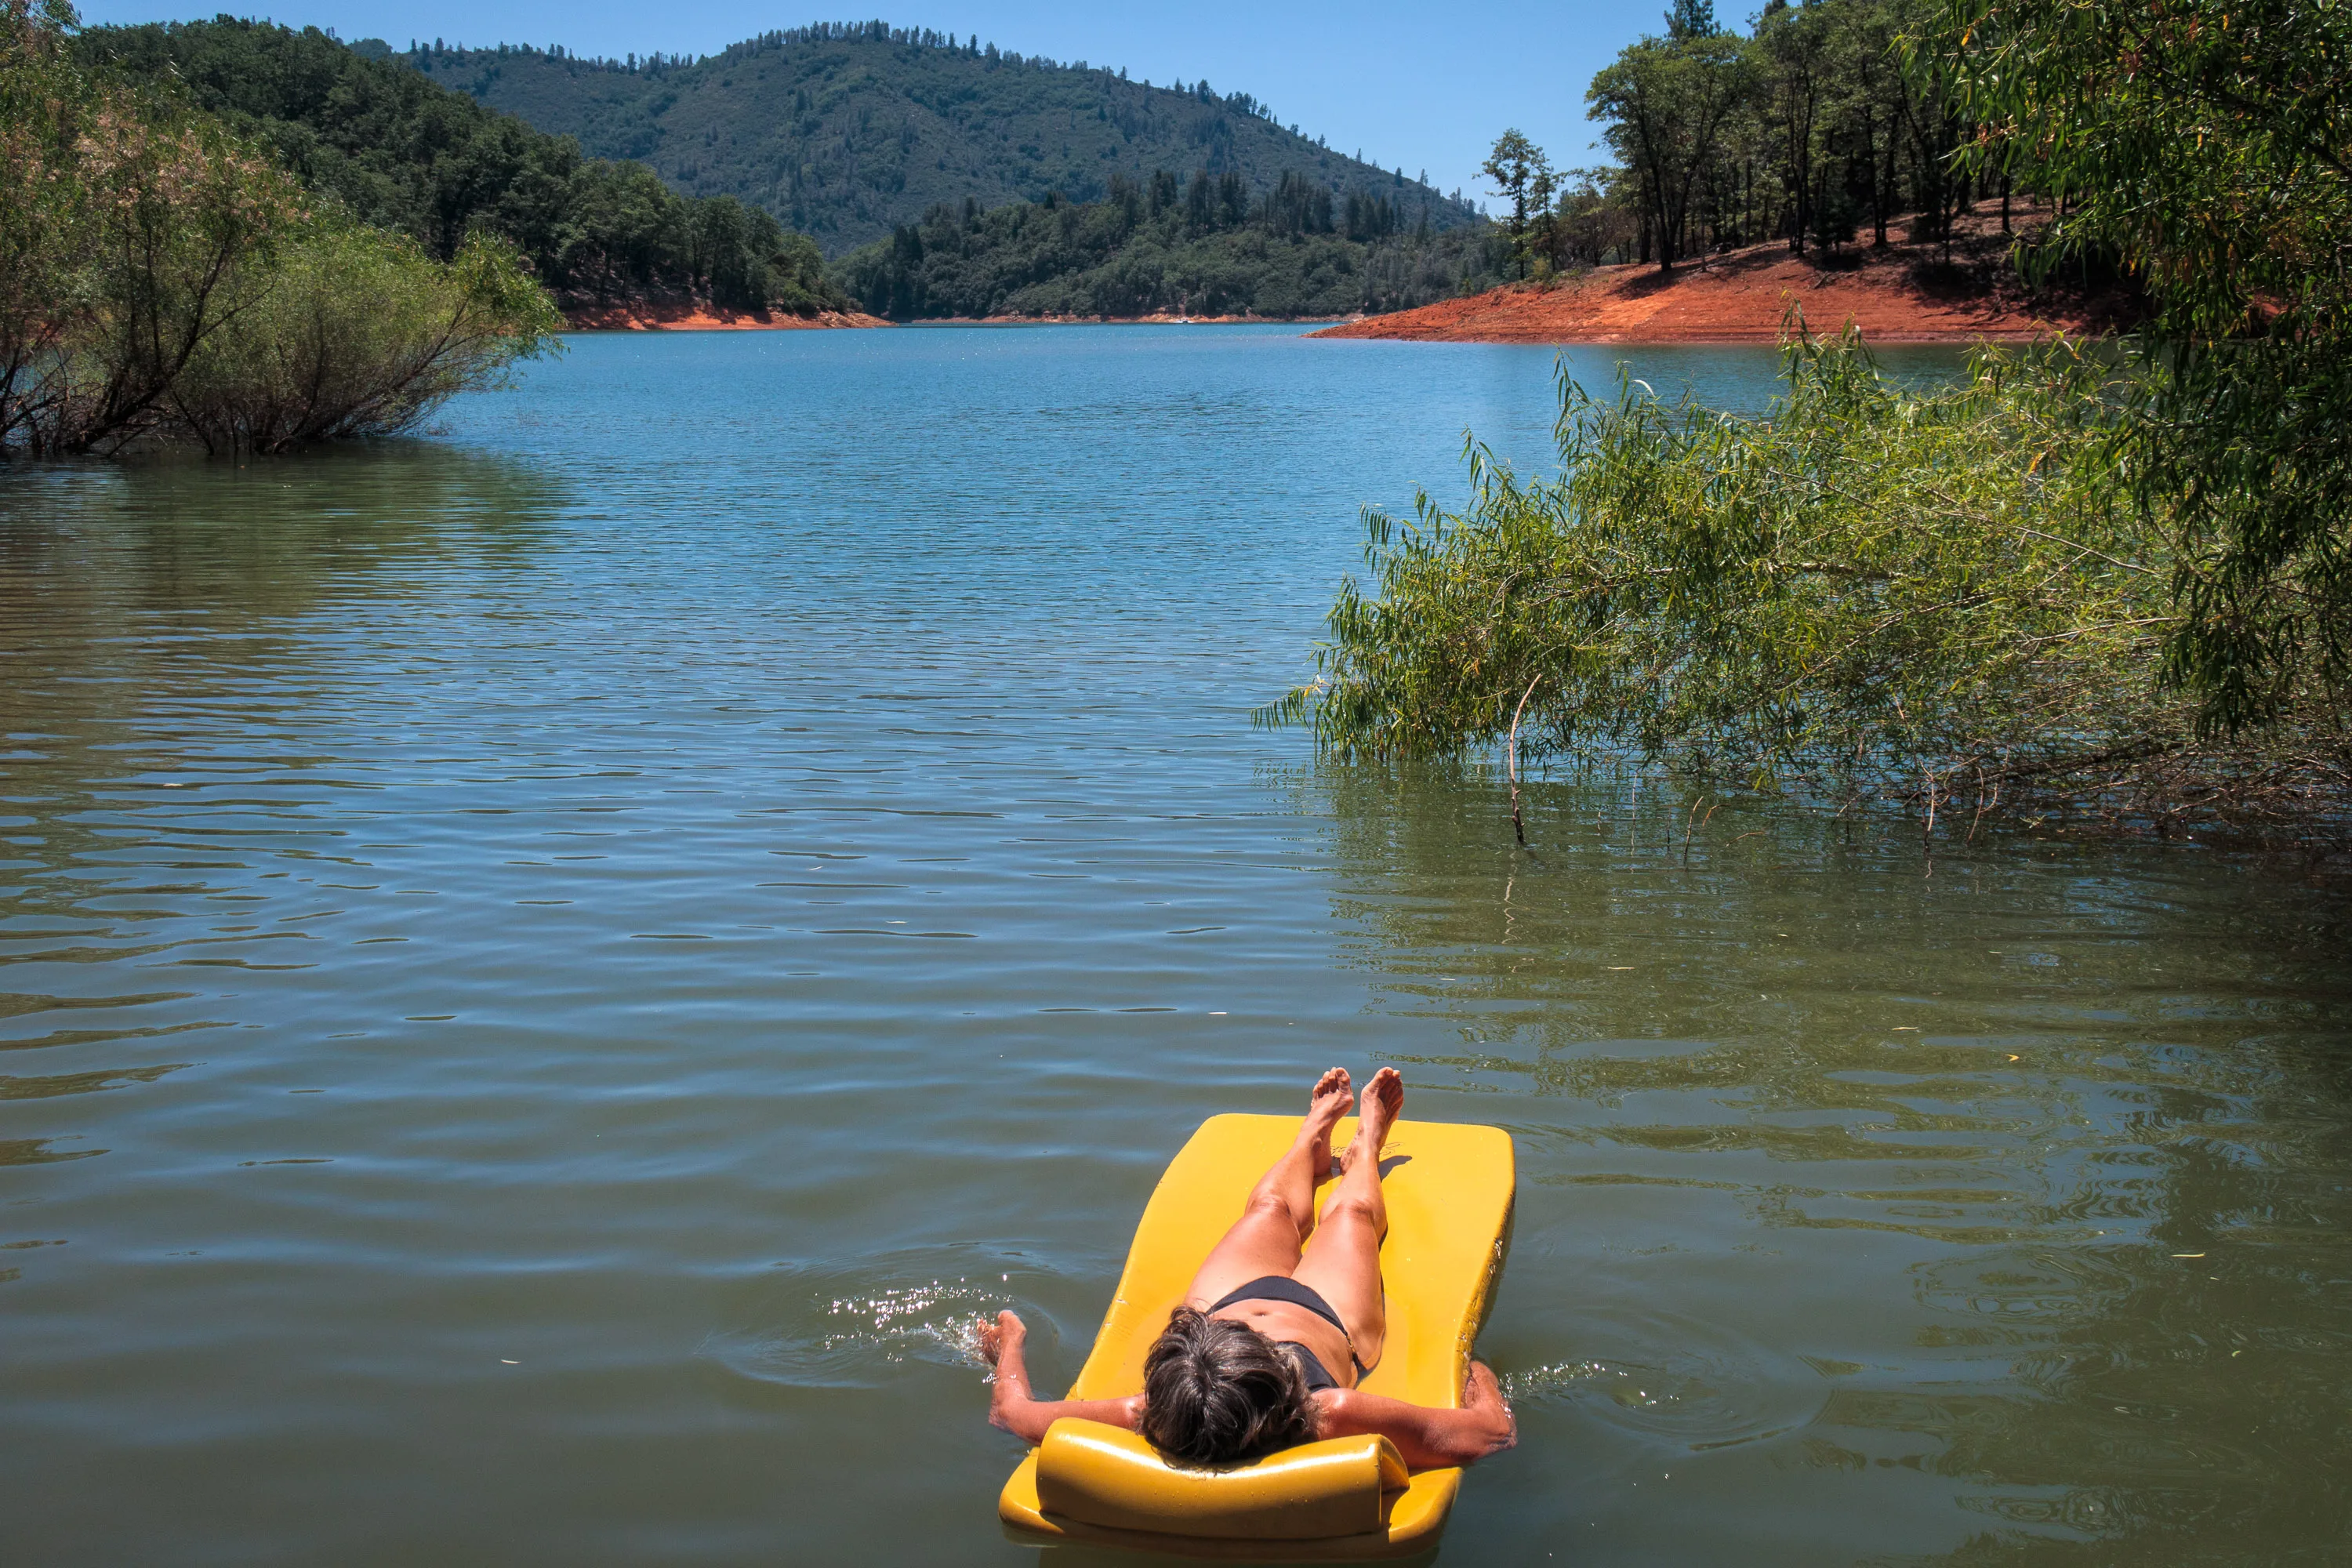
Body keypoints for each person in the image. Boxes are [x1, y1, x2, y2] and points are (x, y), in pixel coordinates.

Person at [978, 1066, 1517, 1471]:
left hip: (1221, 1306)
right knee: (1350, 1213)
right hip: (1328, 1317)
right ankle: (1366, 1148)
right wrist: (1478, 1375)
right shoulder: (1328, 1409)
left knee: (1269, 1210)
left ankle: (1311, 1139)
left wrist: (1010, 1348)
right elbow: (1491, 1433)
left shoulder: (1153, 1409)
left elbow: (1015, 1414)